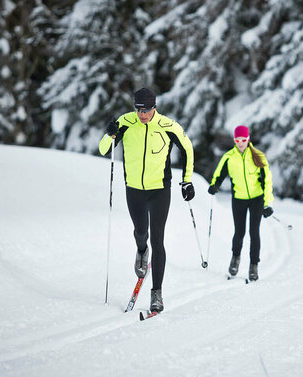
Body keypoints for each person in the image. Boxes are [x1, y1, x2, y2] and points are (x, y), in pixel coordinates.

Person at [99, 88, 195, 313]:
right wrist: (108, 133)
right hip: (134, 189)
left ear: (154, 107)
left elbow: (188, 148)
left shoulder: (168, 126)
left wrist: (187, 180)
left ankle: (157, 294)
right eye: (138, 110)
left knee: (158, 240)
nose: (142, 115)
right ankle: (141, 251)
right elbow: (104, 150)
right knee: (141, 232)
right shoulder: (126, 122)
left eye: (146, 110)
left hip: (160, 190)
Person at [208, 125, 273, 281]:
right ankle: (235, 259)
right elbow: (220, 173)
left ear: (248, 139)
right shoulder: (229, 157)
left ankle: (253, 266)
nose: (241, 143)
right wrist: (214, 185)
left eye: (243, 140)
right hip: (238, 199)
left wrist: (267, 203)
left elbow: (267, 181)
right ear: (234, 140)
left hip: (256, 199)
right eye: (238, 140)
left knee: (254, 232)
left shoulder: (258, 156)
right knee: (239, 232)